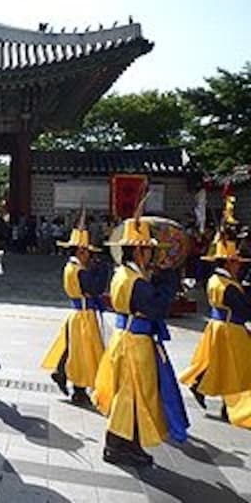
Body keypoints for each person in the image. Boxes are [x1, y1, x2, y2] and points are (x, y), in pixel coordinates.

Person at [92, 201, 187, 467]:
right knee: (133, 396)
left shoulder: (124, 274)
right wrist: (168, 281)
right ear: (138, 251)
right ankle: (119, 445)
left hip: (128, 339)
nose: (152, 256)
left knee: (131, 395)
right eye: (148, 250)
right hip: (135, 345)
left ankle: (125, 444)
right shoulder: (134, 280)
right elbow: (156, 307)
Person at [180, 196, 251, 419]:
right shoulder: (229, 286)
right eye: (237, 261)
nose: (239, 264)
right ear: (229, 262)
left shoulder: (215, 280)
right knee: (236, 369)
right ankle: (230, 407)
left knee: (220, 366)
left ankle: (203, 388)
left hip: (217, 326)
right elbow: (244, 310)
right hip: (231, 329)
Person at [41, 209, 109, 406]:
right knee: (84, 354)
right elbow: (94, 288)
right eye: (86, 251)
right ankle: (78, 388)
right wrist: (101, 270)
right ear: (80, 251)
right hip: (84, 316)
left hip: (80, 313)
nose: (88, 255)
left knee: (74, 350)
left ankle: (61, 373)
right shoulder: (78, 270)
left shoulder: (71, 268)